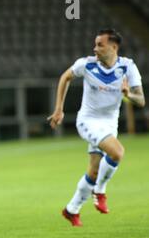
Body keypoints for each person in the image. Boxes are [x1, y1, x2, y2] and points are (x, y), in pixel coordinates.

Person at [48, 29, 145, 227]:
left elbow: (141, 100)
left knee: (93, 171)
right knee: (117, 152)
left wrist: (128, 94)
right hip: (88, 121)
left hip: (110, 123)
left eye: (100, 45)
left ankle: (71, 210)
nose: (95, 48)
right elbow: (65, 77)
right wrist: (59, 109)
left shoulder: (128, 67)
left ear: (114, 47)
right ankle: (100, 191)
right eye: (95, 44)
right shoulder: (87, 64)